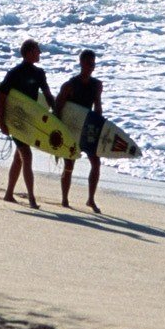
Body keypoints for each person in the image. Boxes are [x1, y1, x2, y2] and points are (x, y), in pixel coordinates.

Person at [0, 39, 55, 208]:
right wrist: (2, 122)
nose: (40, 53)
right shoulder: (15, 73)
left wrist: (55, 115)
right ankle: (31, 199)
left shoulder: (39, 73)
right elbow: (1, 97)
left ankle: (8, 194)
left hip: (29, 121)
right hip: (15, 120)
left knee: (19, 157)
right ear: (28, 52)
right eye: (37, 50)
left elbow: (48, 95)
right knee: (26, 156)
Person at [54, 49, 105, 212]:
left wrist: (99, 128)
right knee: (69, 164)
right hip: (71, 129)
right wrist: (58, 133)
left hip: (88, 128)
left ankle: (90, 199)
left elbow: (97, 108)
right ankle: (64, 199)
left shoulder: (96, 85)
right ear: (81, 63)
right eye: (89, 63)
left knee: (96, 163)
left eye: (93, 63)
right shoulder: (69, 86)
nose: (92, 66)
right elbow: (58, 109)